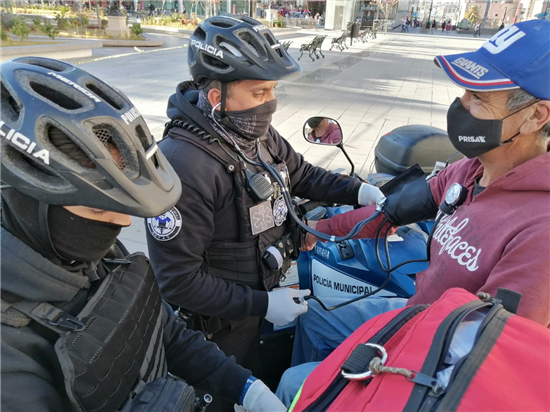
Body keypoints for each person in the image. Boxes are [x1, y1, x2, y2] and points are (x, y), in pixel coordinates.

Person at [276, 19, 550, 406]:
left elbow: (485, 358)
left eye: (480, 98)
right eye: (465, 92)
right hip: (415, 311)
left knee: (293, 384)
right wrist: (319, 229)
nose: (462, 107)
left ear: (536, 116)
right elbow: (390, 212)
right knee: (312, 316)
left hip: (438, 362)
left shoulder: (541, 232)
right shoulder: (470, 170)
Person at [0, 57, 286, 412]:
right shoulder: (10, 356)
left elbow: (165, 330)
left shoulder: (86, 252)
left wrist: (246, 387)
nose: (122, 223)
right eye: (97, 208)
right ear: (27, 196)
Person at [145, 14, 383, 410]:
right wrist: (263, 304)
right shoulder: (185, 165)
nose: (270, 103)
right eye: (259, 93)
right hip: (218, 327)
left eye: (272, 90)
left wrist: (358, 190)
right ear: (217, 98)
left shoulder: (253, 133)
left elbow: (301, 172)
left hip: (263, 297)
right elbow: (177, 282)